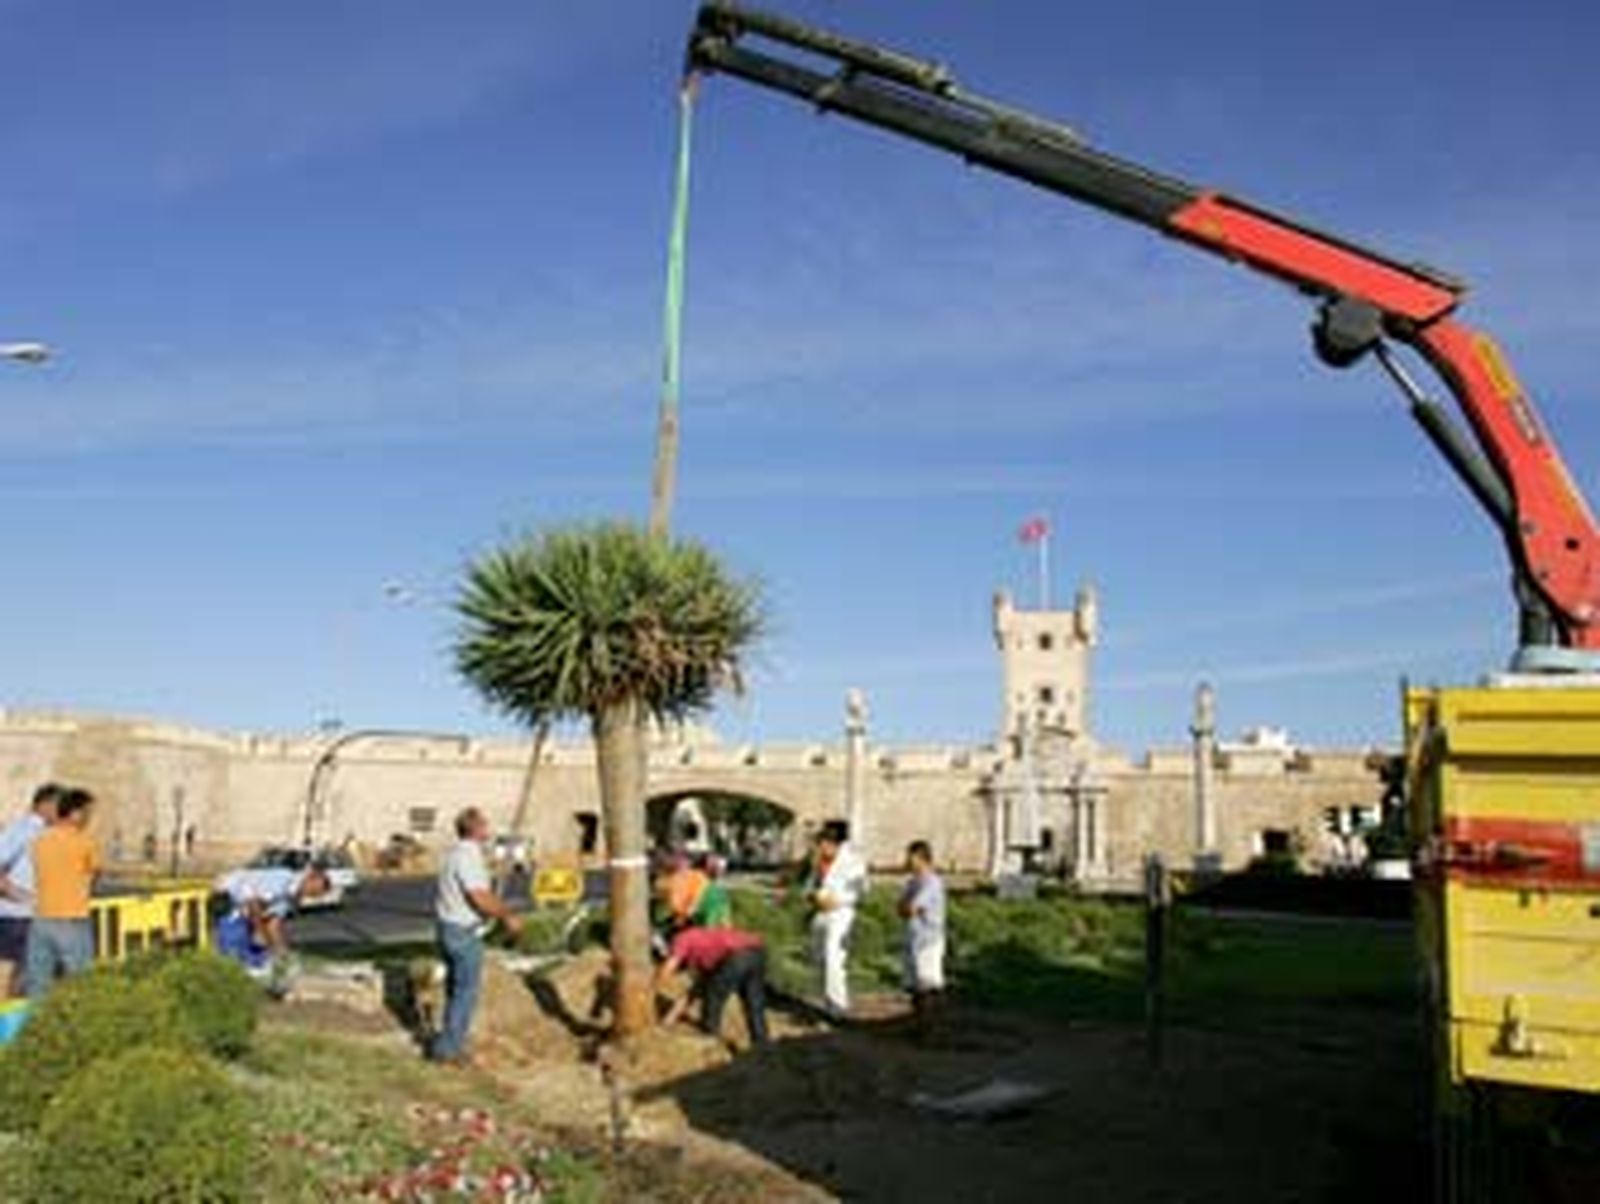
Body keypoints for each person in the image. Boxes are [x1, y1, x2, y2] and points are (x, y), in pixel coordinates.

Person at [431, 807, 522, 1066]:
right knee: (465, 992)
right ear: (475, 828)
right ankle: (449, 1050)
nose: (488, 828)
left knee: (455, 990)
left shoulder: (453, 854)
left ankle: (449, 1039)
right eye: (484, 824)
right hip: (463, 931)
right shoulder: (467, 856)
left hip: (447, 927)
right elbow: (479, 896)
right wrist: (506, 915)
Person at [25, 787, 100, 997]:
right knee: (81, 984)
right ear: (75, 813)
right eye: (87, 813)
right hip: (72, 918)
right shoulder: (85, 841)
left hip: (41, 918)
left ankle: (38, 1026)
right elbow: (93, 874)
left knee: (38, 986)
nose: (89, 819)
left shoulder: (40, 841)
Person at [216, 862, 331, 991]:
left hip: (248, 911)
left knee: (263, 959)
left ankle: (257, 982)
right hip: (230, 896)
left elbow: (273, 923)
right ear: (309, 879)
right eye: (314, 890)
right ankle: (228, 978)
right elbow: (253, 902)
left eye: (315, 894)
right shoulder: (284, 879)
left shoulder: (292, 898)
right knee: (236, 947)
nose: (311, 894)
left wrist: (280, 950)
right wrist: (259, 932)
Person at [656, 922, 769, 1048]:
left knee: (714, 993)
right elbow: (693, 992)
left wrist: (652, 986)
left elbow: (669, 966)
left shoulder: (682, 939)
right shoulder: (705, 946)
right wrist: (669, 1020)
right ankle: (761, 1042)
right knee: (754, 1001)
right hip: (757, 952)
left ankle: (709, 1034)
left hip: (737, 956)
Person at [0, 784, 64, 997]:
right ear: (45, 805)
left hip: (38, 916)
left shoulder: (49, 833)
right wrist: (18, 895)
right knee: (7, 974)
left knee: (33, 976)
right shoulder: (22, 830)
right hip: (15, 917)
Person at [806, 819, 867, 1020]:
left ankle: (838, 1007)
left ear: (834, 844)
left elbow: (859, 891)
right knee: (819, 958)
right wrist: (812, 896)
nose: (820, 848)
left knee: (834, 958)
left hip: (840, 914)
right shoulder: (819, 863)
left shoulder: (853, 862)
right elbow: (809, 885)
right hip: (820, 912)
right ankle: (827, 1002)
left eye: (823, 844)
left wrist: (837, 901)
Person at [898, 840, 948, 1042]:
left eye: (911, 857)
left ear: (921, 858)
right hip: (913, 937)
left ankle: (932, 1030)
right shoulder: (912, 882)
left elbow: (911, 908)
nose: (907, 861)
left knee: (928, 986)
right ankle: (918, 1026)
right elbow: (901, 908)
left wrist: (907, 907)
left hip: (928, 939)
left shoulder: (931, 882)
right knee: (915, 986)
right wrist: (906, 907)